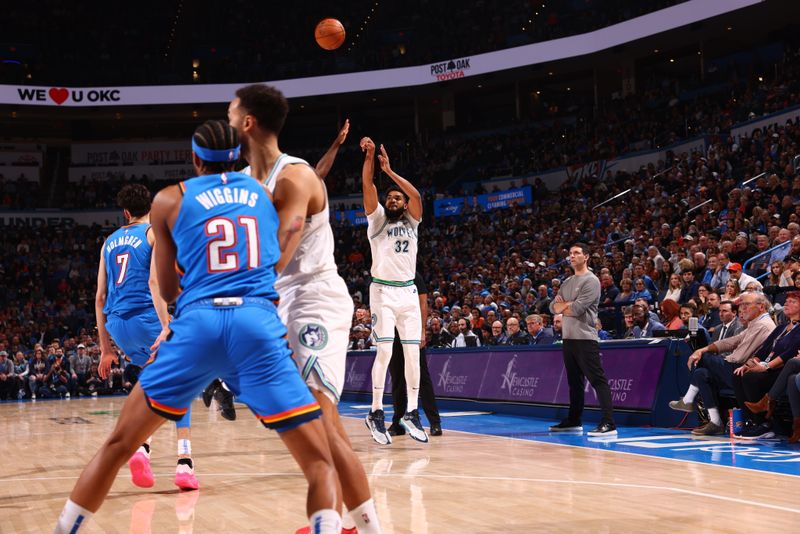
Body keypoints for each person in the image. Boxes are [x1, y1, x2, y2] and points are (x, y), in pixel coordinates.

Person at [54, 120, 342, 534]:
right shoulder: (263, 195)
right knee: (318, 460)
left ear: (194, 159)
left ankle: (65, 527)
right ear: (239, 157)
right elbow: (285, 235)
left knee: (119, 445)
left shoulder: (170, 200)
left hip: (198, 323)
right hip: (255, 324)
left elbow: (167, 288)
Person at [230, 86, 380, 533]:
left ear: (249, 122)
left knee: (321, 417)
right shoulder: (242, 181)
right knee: (302, 424)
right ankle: (341, 522)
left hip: (311, 296)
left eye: (231, 112)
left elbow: (277, 250)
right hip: (276, 301)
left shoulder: (294, 177)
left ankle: (355, 526)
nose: (227, 120)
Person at [93, 183, 198, 491]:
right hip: (146, 317)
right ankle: (184, 463)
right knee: (182, 379)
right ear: (150, 208)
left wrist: (105, 349)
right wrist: (166, 325)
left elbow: (99, 297)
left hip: (117, 325)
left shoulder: (109, 241)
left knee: (154, 381)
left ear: (125, 212)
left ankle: (142, 448)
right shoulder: (152, 232)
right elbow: (154, 281)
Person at [360, 135, 428, 444]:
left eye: (397, 198)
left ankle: (412, 412)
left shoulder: (413, 222)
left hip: (408, 292)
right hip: (383, 292)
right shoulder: (376, 221)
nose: (394, 200)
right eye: (390, 198)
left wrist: (390, 171)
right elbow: (367, 186)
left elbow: (415, 195)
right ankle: (375, 411)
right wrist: (370, 159)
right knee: (385, 351)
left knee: (412, 354)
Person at [668, 292, 775, 435]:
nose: (742, 308)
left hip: (743, 371)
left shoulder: (764, 325)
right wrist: (703, 349)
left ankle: (688, 400)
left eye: (746, 305)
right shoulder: (755, 323)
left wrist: (705, 355)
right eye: (741, 305)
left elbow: (739, 356)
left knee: (704, 359)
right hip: (736, 367)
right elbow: (733, 341)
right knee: (701, 373)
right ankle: (715, 422)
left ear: (761, 307)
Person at [549, 243, 616, 436]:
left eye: (576, 253)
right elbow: (554, 307)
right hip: (568, 339)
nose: (572, 256)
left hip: (585, 338)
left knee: (597, 379)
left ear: (586, 257)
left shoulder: (591, 280)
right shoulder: (567, 281)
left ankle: (609, 422)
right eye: (570, 253)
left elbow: (577, 310)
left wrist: (566, 306)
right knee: (574, 383)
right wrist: (566, 306)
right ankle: (574, 420)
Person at [388, 271, 442, 437]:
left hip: (411, 331)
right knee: (397, 378)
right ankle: (398, 423)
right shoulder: (387, 276)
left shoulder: (414, 276)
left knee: (422, 377)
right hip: (393, 332)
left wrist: (422, 331)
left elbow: (422, 304)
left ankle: (434, 422)